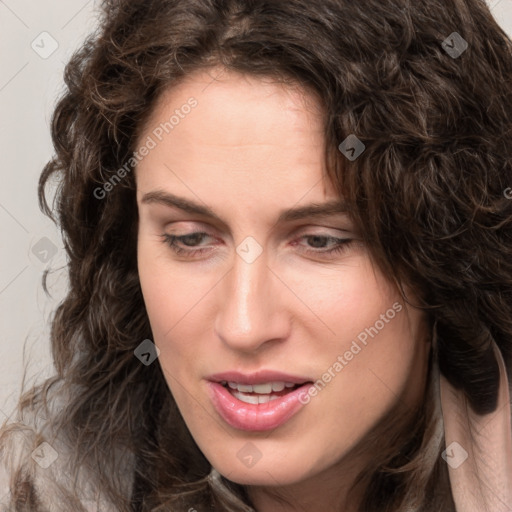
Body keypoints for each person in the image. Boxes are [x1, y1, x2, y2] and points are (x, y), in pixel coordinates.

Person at [1, 0, 511, 510]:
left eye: (321, 241)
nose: (244, 325)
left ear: (445, 253)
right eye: (189, 238)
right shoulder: (39, 487)